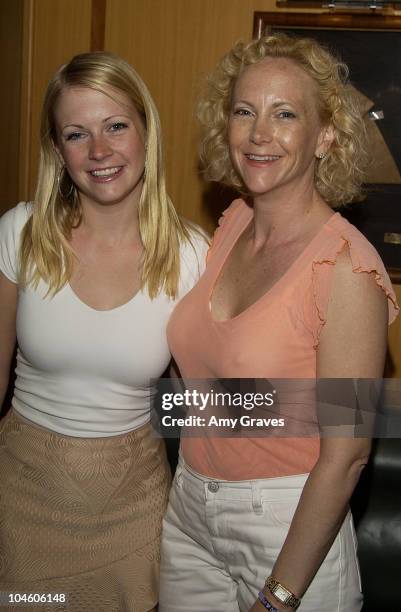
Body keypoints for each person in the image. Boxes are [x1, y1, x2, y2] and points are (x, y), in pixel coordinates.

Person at [159, 34, 399, 611]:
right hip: (189, 512)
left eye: (285, 114)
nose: (259, 133)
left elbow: (347, 455)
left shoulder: (346, 270)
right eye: (245, 112)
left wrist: (282, 594)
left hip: (289, 528)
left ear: (325, 136)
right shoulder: (234, 222)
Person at [0, 52, 207, 612]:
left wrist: (343, 414)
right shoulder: (19, 233)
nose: (99, 151)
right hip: (21, 497)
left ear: (146, 131)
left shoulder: (192, 256)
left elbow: (201, 407)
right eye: (76, 133)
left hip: (130, 509)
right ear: (56, 150)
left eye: (116, 126)